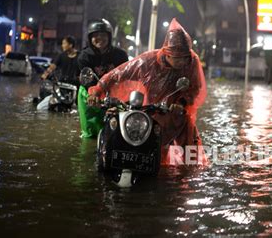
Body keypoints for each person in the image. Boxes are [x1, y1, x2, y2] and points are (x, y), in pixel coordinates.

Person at [87, 18, 207, 165]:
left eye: (185, 58)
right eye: (178, 59)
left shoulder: (191, 61)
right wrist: (97, 90)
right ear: (167, 54)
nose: (183, 62)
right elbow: (118, 74)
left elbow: (195, 87)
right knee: (150, 154)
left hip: (177, 114)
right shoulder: (147, 61)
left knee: (190, 157)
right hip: (152, 113)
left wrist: (182, 103)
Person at [77, 19, 129, 138]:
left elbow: (126, 76)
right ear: (90, 38)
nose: (99, 38)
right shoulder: (84, 56)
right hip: (89, 92)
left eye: (103, 35)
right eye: (95, 35)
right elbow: (86, 79)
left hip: (114, 93)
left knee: (117, 131)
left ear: (109, 37)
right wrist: (93, 93)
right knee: (89, 133)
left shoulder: (120, 55)